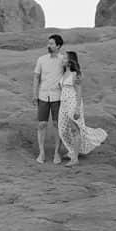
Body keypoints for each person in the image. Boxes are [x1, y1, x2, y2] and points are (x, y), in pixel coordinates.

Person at [57, 51, 107, 166]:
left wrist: (77, 108)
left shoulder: (75, 74)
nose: (62, 59)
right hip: (63, 104)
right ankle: (73, 151)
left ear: (70, 61)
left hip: (73, 102)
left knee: (75, 129)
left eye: (64, 58)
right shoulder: (64, 73)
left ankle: (74, 158)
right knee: (63, 130)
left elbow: (79, 92)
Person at [32, 34, 67, 164]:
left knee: (57, 125)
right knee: (42, 124)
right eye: (48, 43)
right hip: (43, 96)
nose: (49, 46)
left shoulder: (63, 60)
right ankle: (41, 153)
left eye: (52, 44)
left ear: (58, 46)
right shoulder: (41, 59)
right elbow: (36, 77)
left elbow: (70, 74)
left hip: (58, 97)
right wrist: (34, 94)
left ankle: (57, 153)